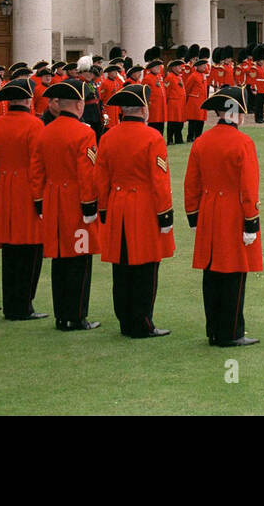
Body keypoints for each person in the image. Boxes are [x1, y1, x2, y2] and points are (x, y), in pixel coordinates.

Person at [95, 84, 174, 338]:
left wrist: (104, 208)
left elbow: (101, 178)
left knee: (122, 266)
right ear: (143, 108)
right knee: (146, 267)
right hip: (144, 208)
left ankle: (125, 320)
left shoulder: (107, 137)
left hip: (117, 204)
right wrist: (165, 214)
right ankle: (142, 322)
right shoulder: (153, 137)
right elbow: (160, 181)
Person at [184, 86, 261, 347]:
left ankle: (214, 329)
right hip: (233, 213)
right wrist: (251, 221)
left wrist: (194, 217)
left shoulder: (201, 141)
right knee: (233, 272)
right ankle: (231, 332)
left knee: (212, 272)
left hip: (207, 211)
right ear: (237, 113)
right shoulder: (243, 142)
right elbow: (249, 188)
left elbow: (191, 184)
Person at [34, 80, 101, 332]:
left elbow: (37, 171)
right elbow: (87, 174)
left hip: (52, 201)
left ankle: (61, 315)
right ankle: (76, 316)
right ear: (79, 104)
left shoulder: (45, 131)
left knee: (60, 259)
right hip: (76, 204)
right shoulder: (84, 133)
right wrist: (89, 207)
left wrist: (40, 202)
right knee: (79, 259)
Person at [0, 77, 47, 321]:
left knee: (10, 251)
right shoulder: (34, 125)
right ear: (28, 99)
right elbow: (36, 165)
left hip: (3, 190)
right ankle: (23, 305)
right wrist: (39, 198)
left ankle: (12, 303)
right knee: (31, 251)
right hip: (26, 191)